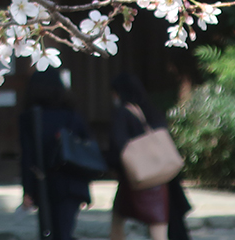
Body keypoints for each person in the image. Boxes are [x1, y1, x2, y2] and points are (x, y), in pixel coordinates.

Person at [107, 73, 191, 240]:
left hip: (135, 179)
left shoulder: (123, 113)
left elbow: (118, 145)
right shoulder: (150, 110)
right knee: (158, 228)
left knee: (117, 224)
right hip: (160, 180)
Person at [19, 69, 94, 240]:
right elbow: (85, 149)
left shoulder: (30, 117)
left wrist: (28, 189)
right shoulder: (72, 115)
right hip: (72, 182)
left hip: (45, 183)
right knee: (65, 232)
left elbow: (28, 155)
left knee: (48, 232)